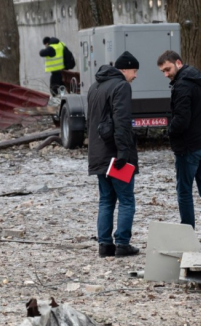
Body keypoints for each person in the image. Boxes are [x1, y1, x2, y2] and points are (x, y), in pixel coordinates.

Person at [156, 50, 201, 248]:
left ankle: (186, 235)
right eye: (162, 71)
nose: (166, 74)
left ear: (178, 63)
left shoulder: (182, 86)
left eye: (168, 69)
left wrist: (168, 131)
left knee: (184, 192)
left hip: (190, 148)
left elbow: (181, 120)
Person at [87, 51, 140, 258]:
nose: (135, 75)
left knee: (106, 200)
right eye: (134, 71)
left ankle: (105, 244)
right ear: (124, 69)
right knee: (126, 200)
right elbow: (122, 122)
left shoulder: (94, 87)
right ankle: (123, 243)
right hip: (116, 155)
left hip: (98, 154)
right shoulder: (121, 86)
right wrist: (124, 153)